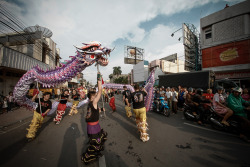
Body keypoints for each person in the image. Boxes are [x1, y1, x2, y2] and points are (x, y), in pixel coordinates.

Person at [81, 72, 107, 165]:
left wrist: (100, 110)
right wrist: (99, 79)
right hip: (92, 127)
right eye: (95, 95)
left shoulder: (91, 104)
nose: (97, 96)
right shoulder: (93, 102)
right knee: (95, 143)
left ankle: (97, 152)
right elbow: (100, 91)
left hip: (95, 125)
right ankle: (87, 157)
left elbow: (94, 112)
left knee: (99, 140)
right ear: (92, 97)